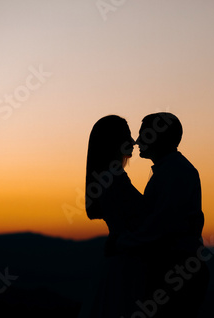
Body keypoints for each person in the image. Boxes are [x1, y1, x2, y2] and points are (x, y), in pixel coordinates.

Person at [117, 112, 209, 318]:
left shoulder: (175, 173)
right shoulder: (170, 170)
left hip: (176, 271)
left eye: (144, 135)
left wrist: (124, 242)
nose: (138, 141)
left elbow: (163, 223)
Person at [79, 115, 147, 318]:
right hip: (124, 266)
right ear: (113, 143)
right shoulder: (113, 179)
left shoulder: (112, 177)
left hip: (122, 262)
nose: (134, 142)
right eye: (126, 136)